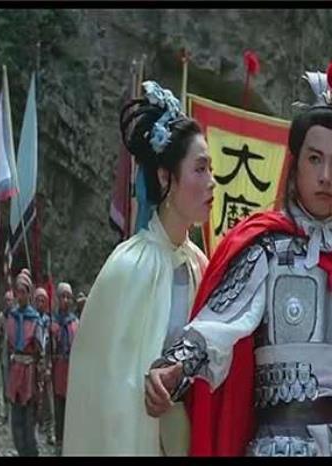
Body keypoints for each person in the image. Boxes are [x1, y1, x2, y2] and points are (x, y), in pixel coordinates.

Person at [145, 62, 332, 457]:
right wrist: (173, 369)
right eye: (315, 159)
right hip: (278, 446)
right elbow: (214, 328)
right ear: (295, 163)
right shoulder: (265, 249)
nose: (325, 176)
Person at [62, 80, 213, 456]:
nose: (212, 182)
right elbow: (105, 385)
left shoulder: (201, 265)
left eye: (210, 169)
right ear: (165, 177)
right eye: (199, 169)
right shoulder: (128, 267)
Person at [5, 271, 45, 456]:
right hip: (15, 371)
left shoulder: (35, 320)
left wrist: (40, 376)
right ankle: (21, 450)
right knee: (16, 418)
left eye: (23, 292)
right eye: (17, 292)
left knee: (29, 417)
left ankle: (31, 451)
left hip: (29, 372)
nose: (19, 296)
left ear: (29, 293)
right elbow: (8, 347)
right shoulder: (11, 317)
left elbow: (40, 352)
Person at [49, 282, 78, 453]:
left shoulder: (76, 323)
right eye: (63, 296)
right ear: (58, 299)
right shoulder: (52, 323)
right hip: (58, 370)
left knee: (71, 410)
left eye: (68, 297)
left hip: (72, 371)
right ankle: (59, 445)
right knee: (59, 409)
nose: (66, 300)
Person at [33, 287, 56, 446]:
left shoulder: (49, 322)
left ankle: (50, 431)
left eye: (43, 300)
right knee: (35, 399)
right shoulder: (31, 320)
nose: (40, 303)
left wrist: (49, 364)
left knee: (49, 399)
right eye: (38, 300)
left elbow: (52, 346)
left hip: (46, 363)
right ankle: (35, 430)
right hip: (34, 364)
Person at [0, 290, 14, 425]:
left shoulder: (16, 315)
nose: (8, 302)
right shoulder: (2, 317)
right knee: (5, 385)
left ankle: (13, 414)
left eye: (10, 300)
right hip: (4, 355)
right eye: (6, 300)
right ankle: (5, 414)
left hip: (15, 356)